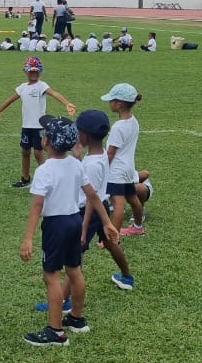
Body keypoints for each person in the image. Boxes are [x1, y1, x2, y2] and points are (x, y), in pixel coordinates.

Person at [19, 117, 117, 346]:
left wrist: (28, 238)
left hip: (56, 225)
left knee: (51, 276)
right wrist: (107, 222)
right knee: (74, 270)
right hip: (75, 221)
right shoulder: (76, 164)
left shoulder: (44, 170)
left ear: (47, 142)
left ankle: (55, 331)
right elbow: (93, 195)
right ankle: (76, 318)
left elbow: (37, 205)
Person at [74, 109, 135, 292]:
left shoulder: (92, 164)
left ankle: (66, 299)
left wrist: (84, 226)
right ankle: (126, 276)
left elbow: (90, 198)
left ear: (85, 135)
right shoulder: (99, 154)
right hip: (102, 207)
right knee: (110, 242)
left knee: (75, 255)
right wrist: (78, 157)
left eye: (78, 131)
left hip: (89, 211)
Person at [0, 57, 77, 188]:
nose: (34, 73)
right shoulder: (22, 88)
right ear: (25, 71)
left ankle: (49, 178)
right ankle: (25, 178)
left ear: (40, 71)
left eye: (36, 71)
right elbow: (9, 100)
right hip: (26, 126)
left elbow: (54, 93)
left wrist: (67, 103)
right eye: (31, 71)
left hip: (39, 127)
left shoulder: (41, 86)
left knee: (38, 153)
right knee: (25, 152)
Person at [101, 83, 147, 236]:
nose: (109, 103)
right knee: (132, 198)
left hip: (117, 171)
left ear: (119, 104)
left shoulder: (118, 127)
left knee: (118, 203)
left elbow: (111, 152)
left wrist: (103, 167)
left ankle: (112, 237)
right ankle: (138, 227)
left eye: (111, 100)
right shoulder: (134, 121)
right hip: (128, 168)